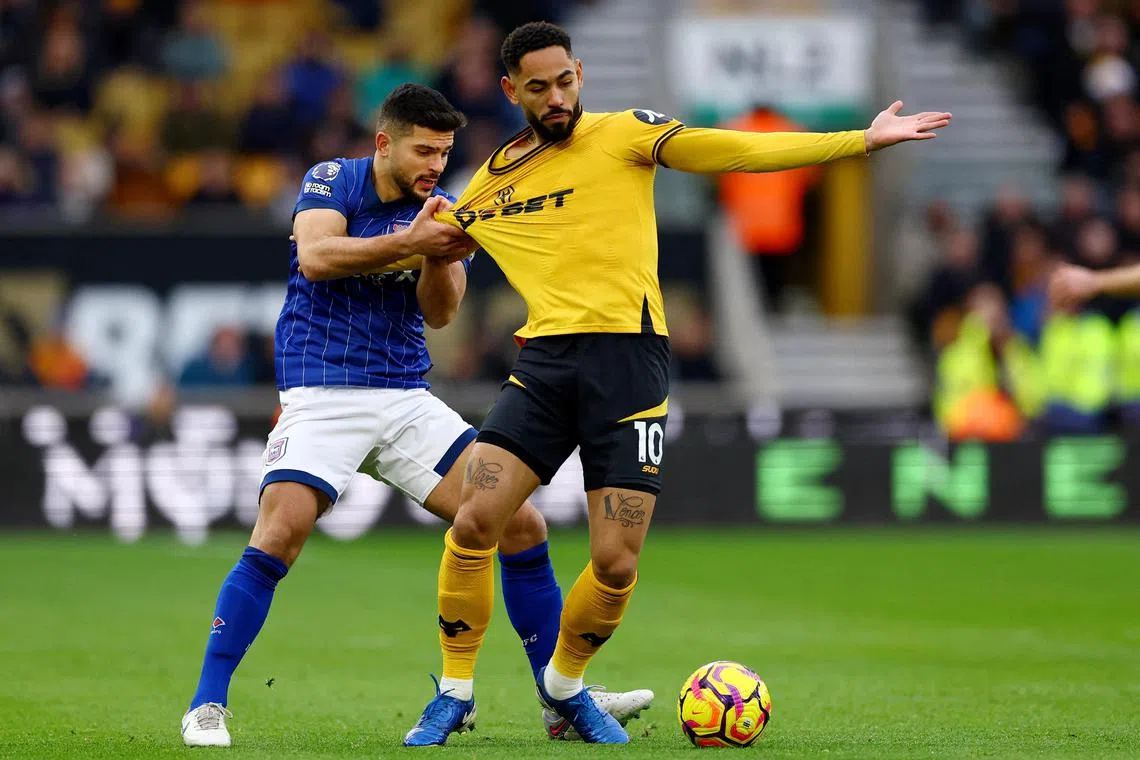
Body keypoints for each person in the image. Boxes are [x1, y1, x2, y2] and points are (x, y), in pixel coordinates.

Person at [403, 21, 952, 746]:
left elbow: (734, 150)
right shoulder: (490, 185)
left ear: (580, 73)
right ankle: (453, 692)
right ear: (512, 91)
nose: (558, 96)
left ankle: (566, 689)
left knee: (616, 561)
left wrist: (857, 139)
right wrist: (427, 249)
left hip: (630, 366)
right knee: (477, 518)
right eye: (539, 87)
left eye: (566, 79)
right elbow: (439, 288)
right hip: (544, 366)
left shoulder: (626, 133)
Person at [180, 83, 651, 748]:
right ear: (384, 143)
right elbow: (316, 258)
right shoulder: (332, 180)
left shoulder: (445, 209)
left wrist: (438, 249)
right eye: (424, 150)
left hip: (403, 396)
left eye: (445, 151)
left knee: (517, 521)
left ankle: (558, 698)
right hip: (323, 392)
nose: (435, 163)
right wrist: (412, 239)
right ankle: (207, 705)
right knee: (280, 531)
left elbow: (440, 312)